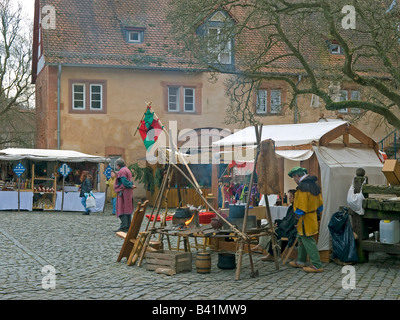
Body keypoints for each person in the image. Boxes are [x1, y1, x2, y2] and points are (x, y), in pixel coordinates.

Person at [288, 166, 324, 273]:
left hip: (305, 219)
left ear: (297, 175)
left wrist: (296, 220)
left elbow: (301, 207)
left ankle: (317, 265)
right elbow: (320, 206)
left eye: (294, 177)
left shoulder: (303, 187)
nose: (294, 180)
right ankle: (301, 261)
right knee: (301, 239)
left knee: (308, 240)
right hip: (311, 217)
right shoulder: (314, 185)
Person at [252, 189, 297, 261]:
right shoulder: (291, 207)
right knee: (268, 226)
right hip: (286, 227)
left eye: (291, 196)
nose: (289, 198)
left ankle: (266, 249)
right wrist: (278, 222)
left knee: (272, 231)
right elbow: (286, 219)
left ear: (296, 198)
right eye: (289, 196)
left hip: (290, 230)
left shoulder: (296, 209)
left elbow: (289, 223)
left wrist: (280, 225)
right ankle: (262, 246)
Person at [114, 158, 136, 232]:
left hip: (123, 192)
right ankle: (128, 225)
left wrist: (130, 185)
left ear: (118, 165)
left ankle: (124, 226)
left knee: (122, 208)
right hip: (128, 192)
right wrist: (131, 185)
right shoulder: (127, 170)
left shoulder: (122, 171)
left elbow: (124, 181)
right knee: (127, 208)